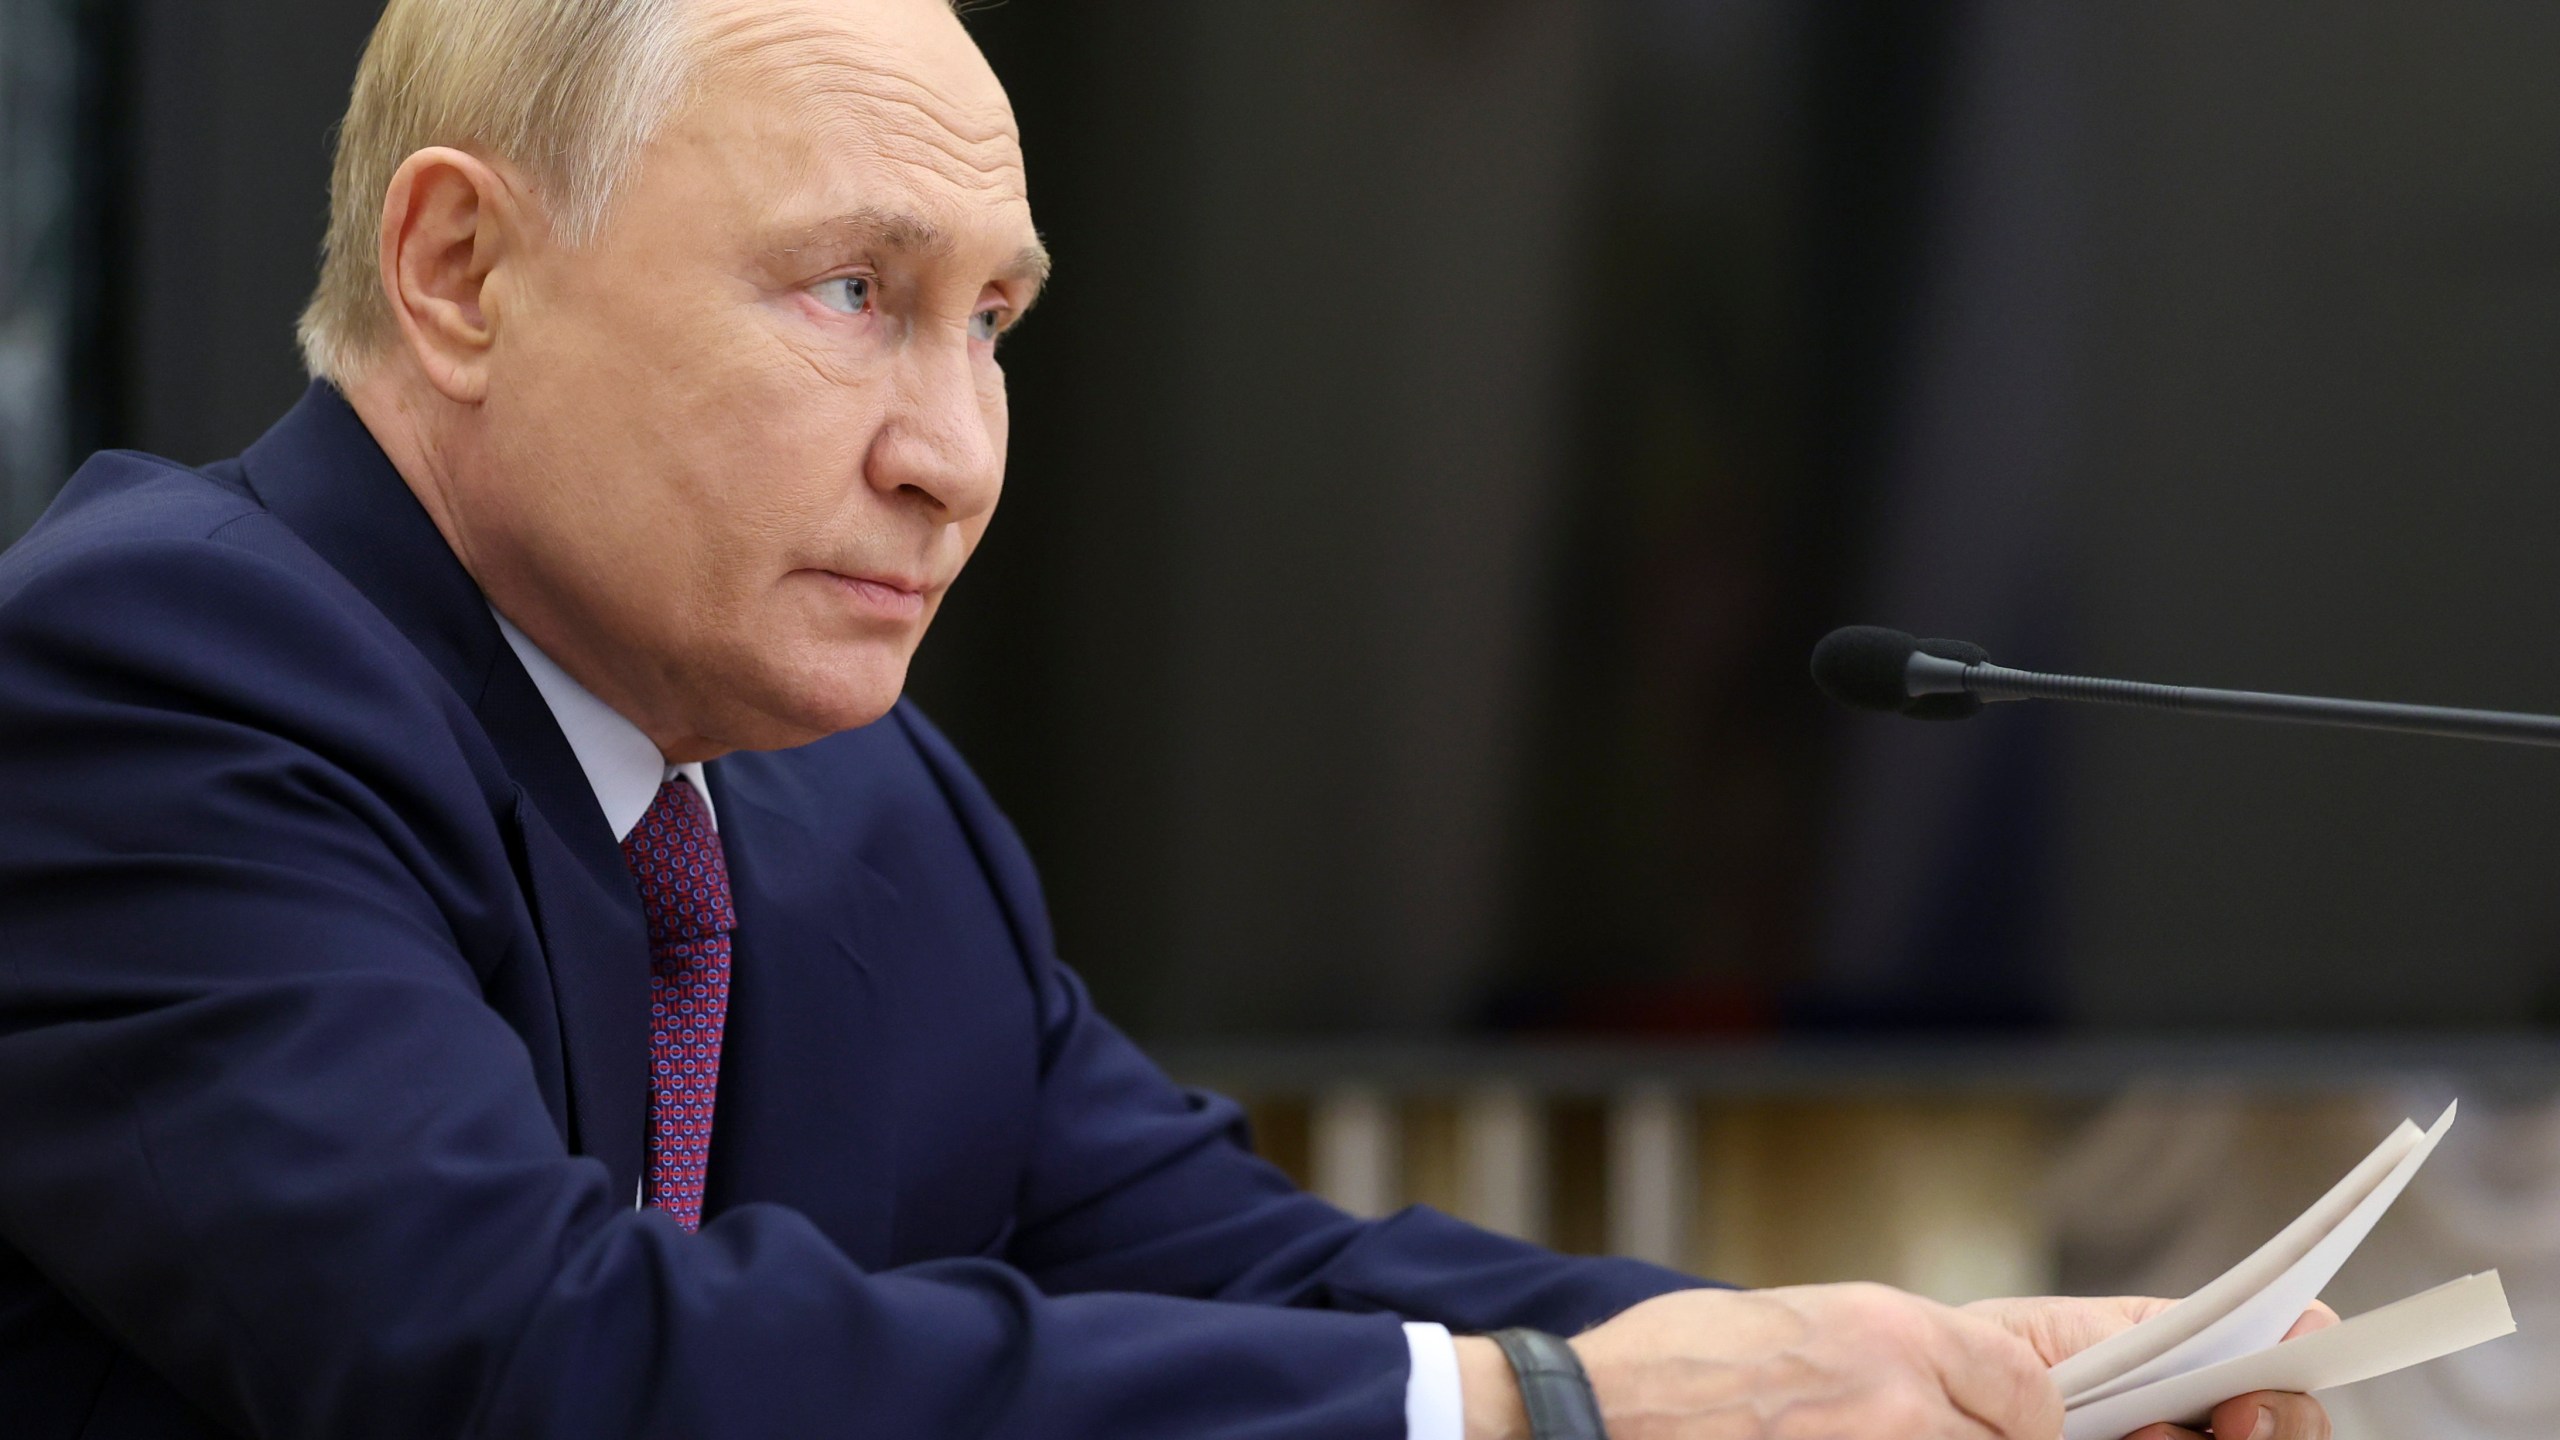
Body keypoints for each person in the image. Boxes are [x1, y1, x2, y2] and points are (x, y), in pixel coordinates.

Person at [0, 1, 2334, 1437]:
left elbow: (1227, 1264)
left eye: (989, 323)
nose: (955, 454)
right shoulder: (146, 675)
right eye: (850, 292)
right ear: (460, 268)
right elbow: (527, 1357)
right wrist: (1556, 1412)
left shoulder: (858, 803)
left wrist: (1891, 1369)